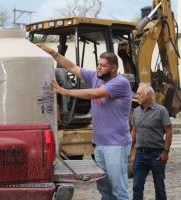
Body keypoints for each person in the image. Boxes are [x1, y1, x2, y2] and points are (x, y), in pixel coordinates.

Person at [36, 44, 132, 200]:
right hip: (100, 144)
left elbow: (95, 94)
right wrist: (54, 53)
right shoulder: (96, 76)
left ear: (113, 68)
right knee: (104, 187)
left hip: (116, 145)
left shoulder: (120, 83)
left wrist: (65, 91)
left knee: (118, 189)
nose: (98, 68)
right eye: (98, 64)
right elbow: (72, 67)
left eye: (103, 66)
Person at [129, 83, 172, 200]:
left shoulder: (161, 111)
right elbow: (134, 131)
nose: (136, 96)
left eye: (139, 94)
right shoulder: (137, 111)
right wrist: (129, 150)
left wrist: (166, 152)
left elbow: (169, 131)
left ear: (148, 95)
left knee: (159, 187)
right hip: (140, 154)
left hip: (157, 155)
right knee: (137, 186)